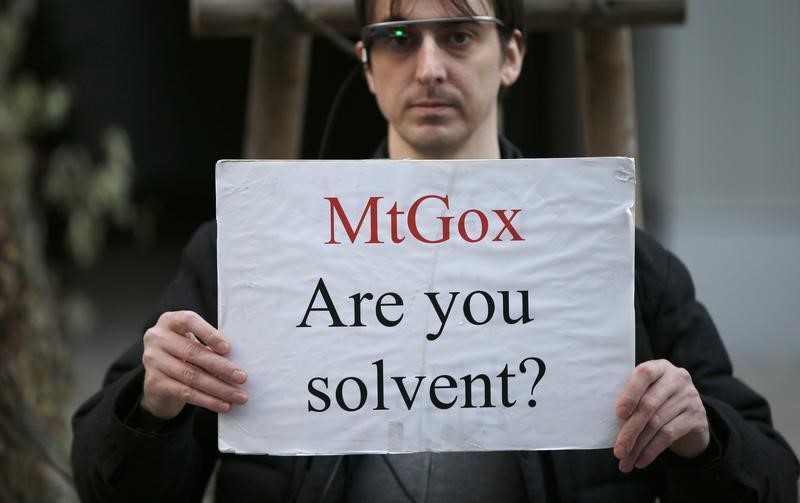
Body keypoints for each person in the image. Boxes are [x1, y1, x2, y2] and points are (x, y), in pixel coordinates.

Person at [71, 0, 799, 501]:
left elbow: (771, 476)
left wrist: (702, 435)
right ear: (364, 63)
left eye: (459, 36)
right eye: (398, 38)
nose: (427, 67)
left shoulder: (618, 263)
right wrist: (153, 406)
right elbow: (110, 485)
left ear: (510, 54)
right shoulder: (253, 254)